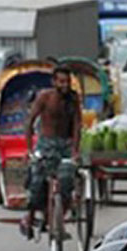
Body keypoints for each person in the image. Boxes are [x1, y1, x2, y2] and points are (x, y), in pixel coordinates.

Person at [22, 65, 81, 240]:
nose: (65, 85)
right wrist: (29, 149)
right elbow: (30, 121)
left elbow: (77, 124)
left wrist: (75, 150)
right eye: (61, 81)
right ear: (54, 82)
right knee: (36, 182)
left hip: (64, 145)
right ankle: (30, 217)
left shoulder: (73, 99)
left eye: (67, 82)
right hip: (45, 145)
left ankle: (58, 221)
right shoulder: (44, 97)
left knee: (66, 182)